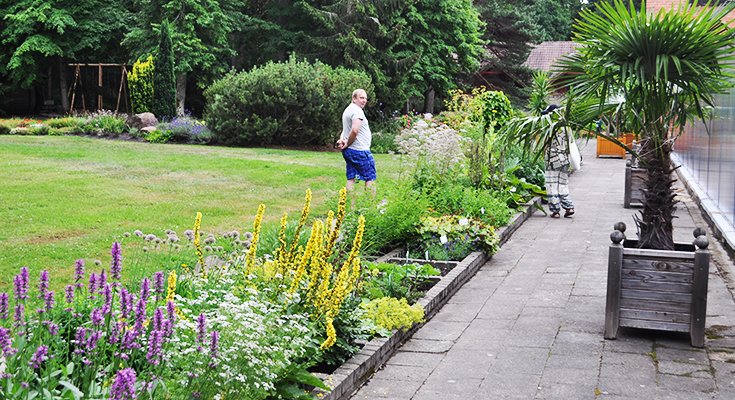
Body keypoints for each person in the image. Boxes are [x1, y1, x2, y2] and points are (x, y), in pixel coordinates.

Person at [336, 89, 376, 196]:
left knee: (351, 178)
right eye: (361, 98)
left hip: (349, 151)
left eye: (366, 98)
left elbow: (345, 130)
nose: (364, 101)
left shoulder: (348, 110)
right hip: (360, 150)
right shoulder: (357, 111)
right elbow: (354, 130)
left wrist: (342, 140)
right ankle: (370, 206)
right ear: (354, 98)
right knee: (370, 177)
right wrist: (347, 143)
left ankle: (350, 207)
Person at [542, 104, 575, 218]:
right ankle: (569, 207)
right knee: (563, 184)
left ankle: (555, 210)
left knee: (552, 185)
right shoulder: (567, 128)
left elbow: (544, 144)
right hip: (564, 160)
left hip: (552, 160)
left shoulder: (550, 128)